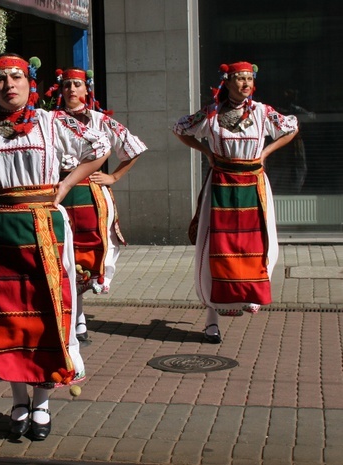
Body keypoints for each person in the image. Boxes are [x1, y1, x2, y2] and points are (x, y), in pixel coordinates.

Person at [0, 54, 112, 441]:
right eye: (0, 80)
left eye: (16, 77)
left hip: (43, 225)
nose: (8, 85)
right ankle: (19, 400)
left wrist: (66, 186)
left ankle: (43, 403)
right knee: (7, 317)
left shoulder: (52, 121)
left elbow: (100, 145)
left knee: (46, 314)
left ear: (29, 82)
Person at [173, 61, 298, 344]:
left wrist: (265, 152)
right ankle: (212, 319)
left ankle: (251, 295)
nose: (244, 84)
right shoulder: (212, 114)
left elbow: (291, 128)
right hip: (221, 186)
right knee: (217, 248)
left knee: (256, 246)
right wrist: (205, 150)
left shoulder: (264, 112)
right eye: (239, 79)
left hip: (253, 185)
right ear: (226, 82)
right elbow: (180, 128)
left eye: (248, 79)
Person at [47, 68, 147, 342]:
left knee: (87, 254)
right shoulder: (49, 120)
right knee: (62, 252)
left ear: (86, 89)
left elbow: (134, 147)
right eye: (66, 85)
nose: (71, 90)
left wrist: (113, 176)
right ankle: (76, 319)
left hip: (91, 194)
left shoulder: (101, 121)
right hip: (59, 190)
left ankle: (78, 316)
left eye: (76, 85)